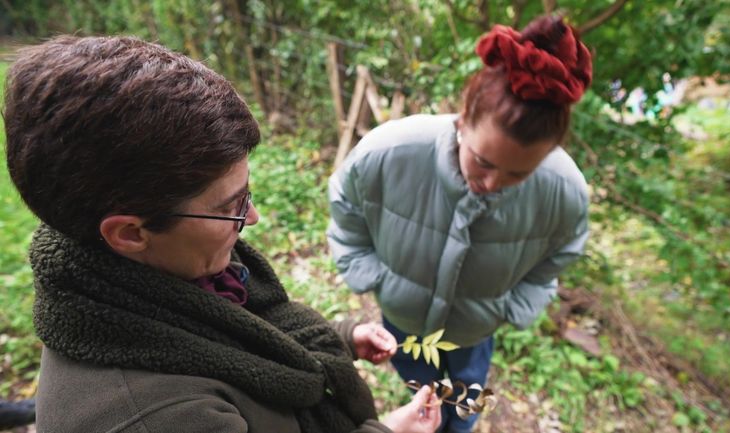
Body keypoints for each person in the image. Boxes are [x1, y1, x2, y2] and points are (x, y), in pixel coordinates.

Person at [3, 36, 441, 433]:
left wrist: (339, 336)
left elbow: (235, 332)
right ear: (130, 233)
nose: (252, 218)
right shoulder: (156, 418)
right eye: (229, 207)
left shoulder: (156, 272)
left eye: (245, 194)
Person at [328, 16, 592, 433]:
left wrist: (514, 307)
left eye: (517, 175)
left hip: (476, 329)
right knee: (420, 389)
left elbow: (559, 256)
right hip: (402, 317)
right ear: (464, 117)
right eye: (483, 162)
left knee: (466, 402)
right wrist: (371, 274)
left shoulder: (564, 190)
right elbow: (347, 207)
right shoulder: (389, 151)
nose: (492, 184)